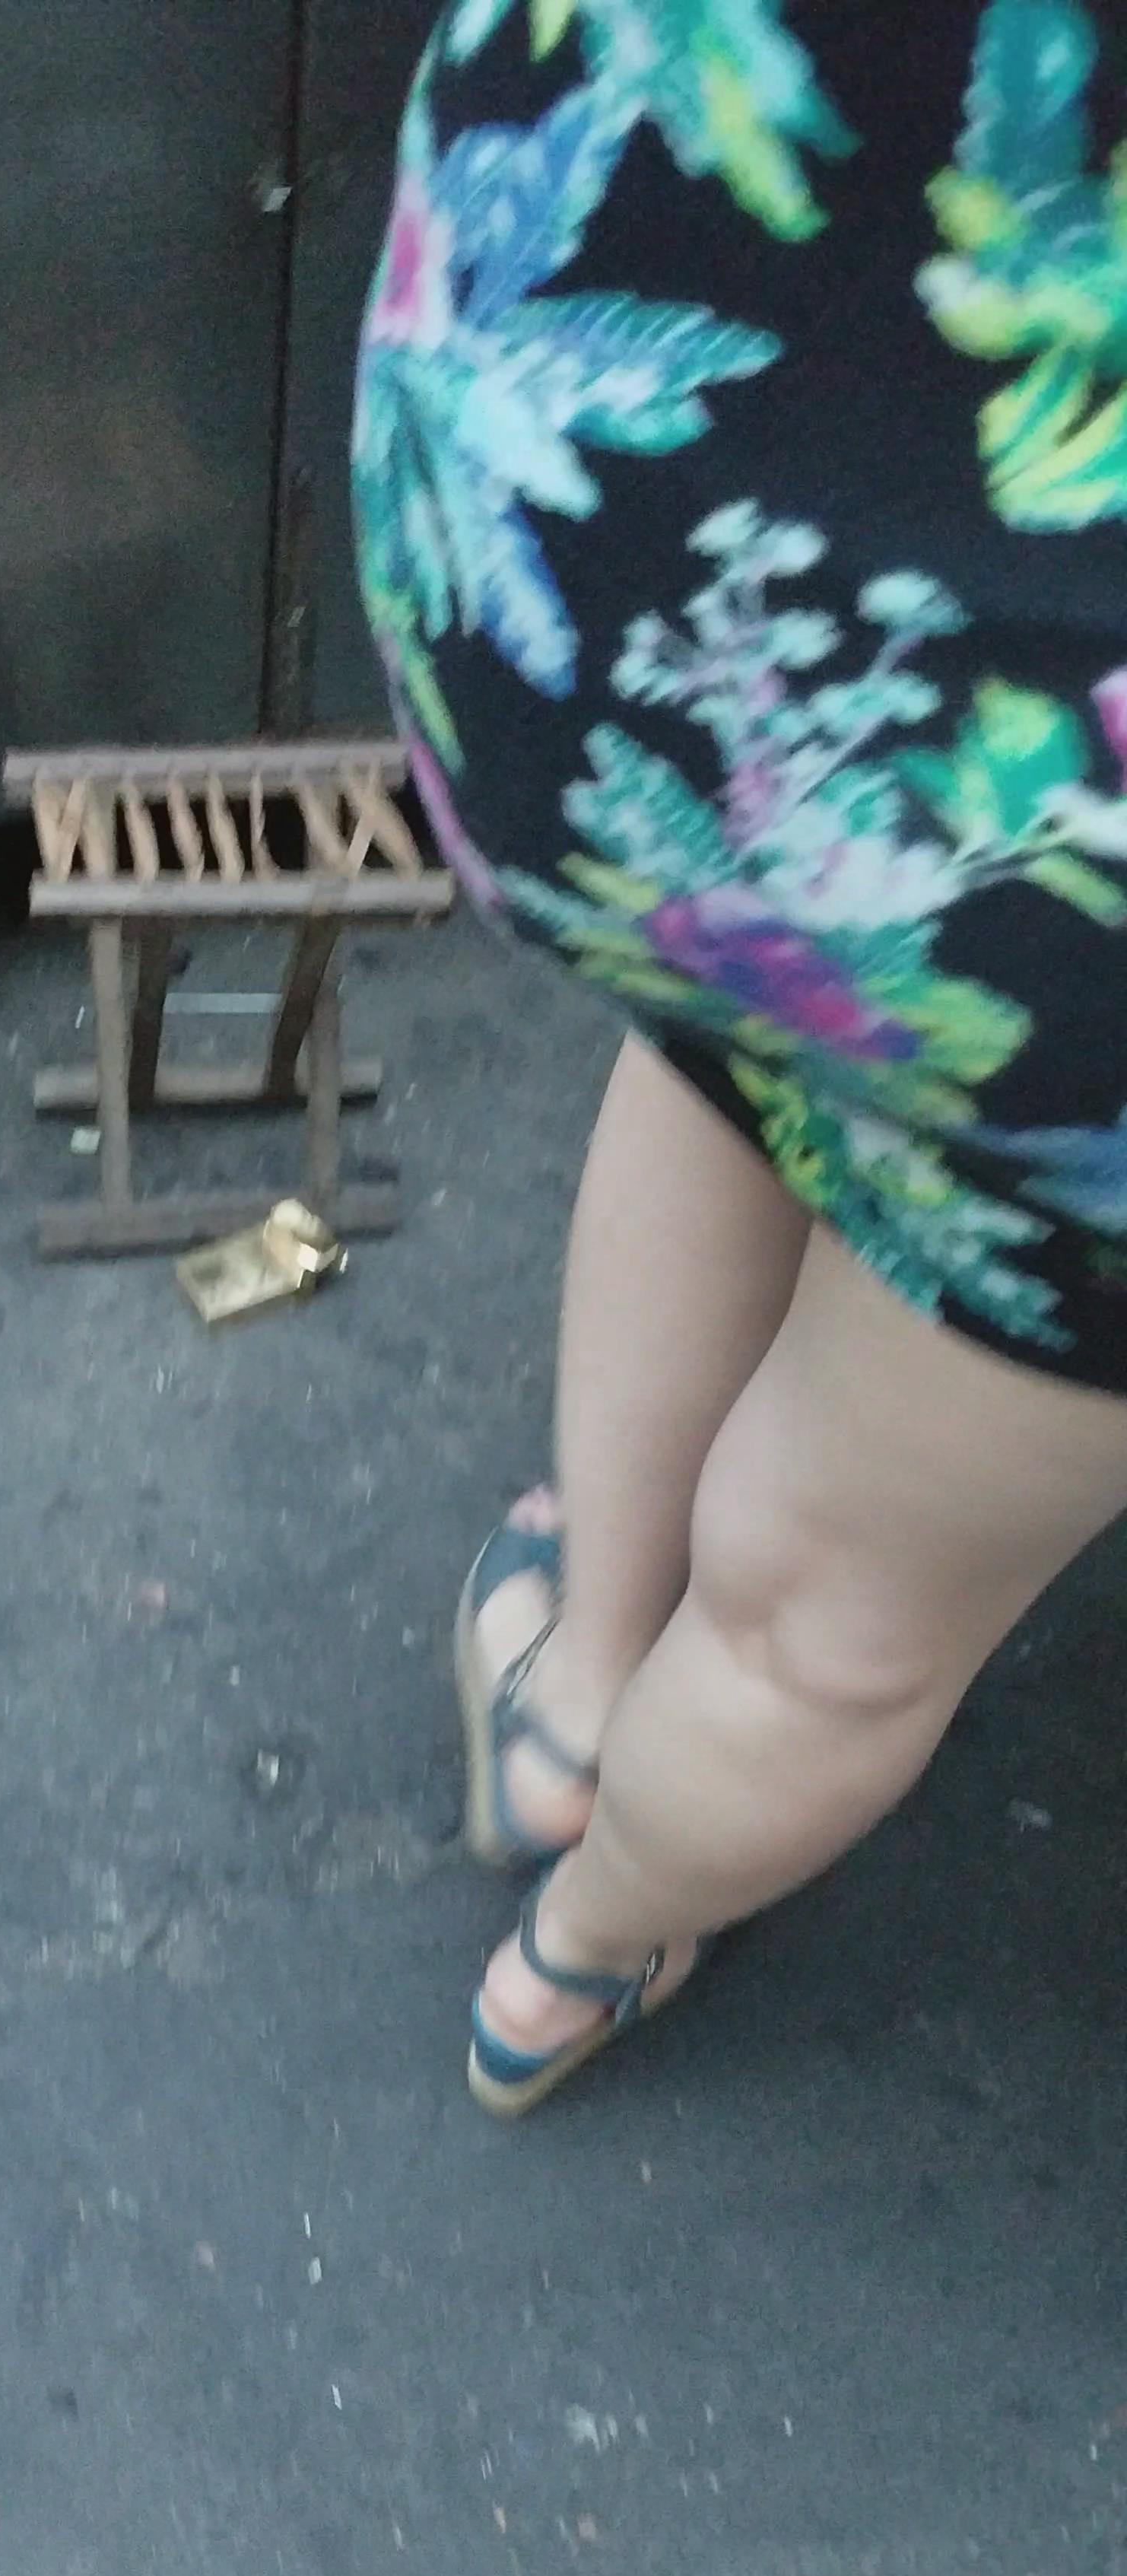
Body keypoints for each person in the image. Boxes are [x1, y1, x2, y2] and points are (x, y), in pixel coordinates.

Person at [352, 0, 1127, 2113]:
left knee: (740, 1023)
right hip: (1074, 870)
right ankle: (584, 1947)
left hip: (585, 561)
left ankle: (575, 1690)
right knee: (828, 1620)